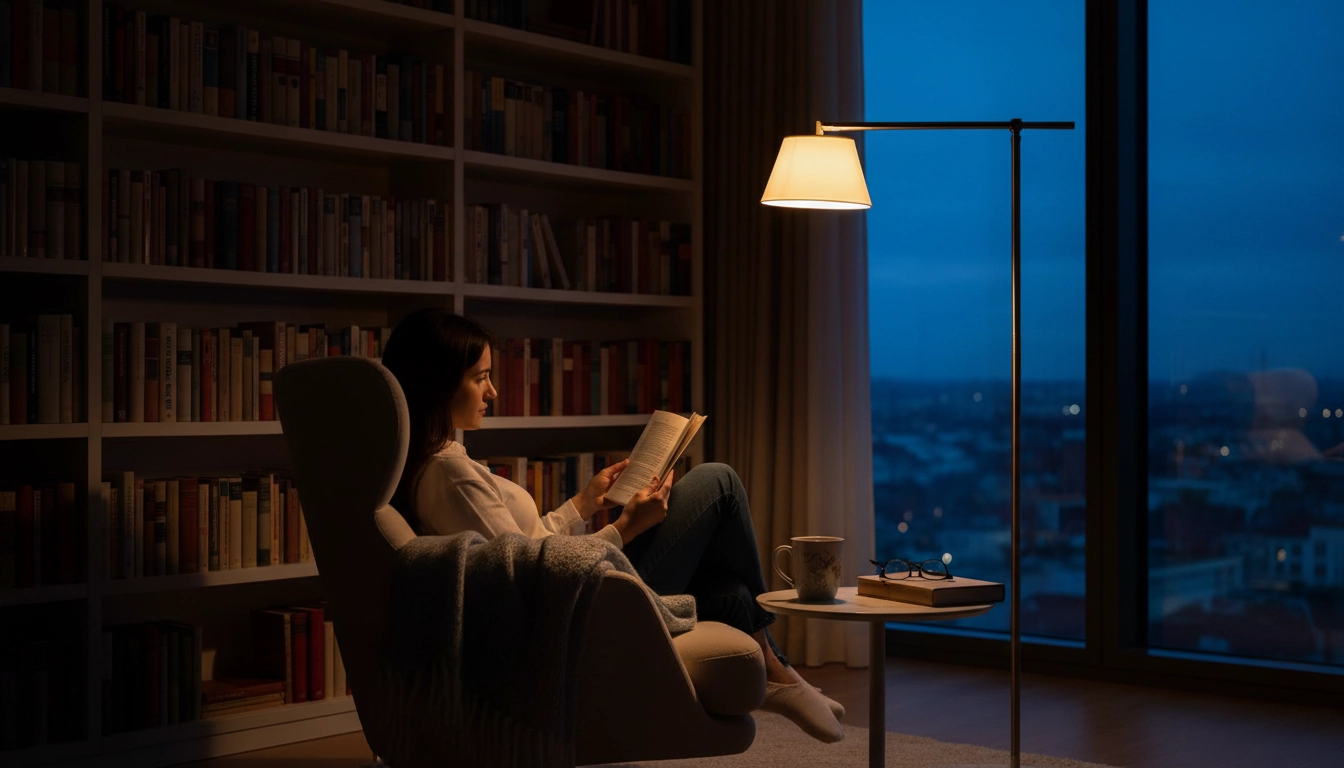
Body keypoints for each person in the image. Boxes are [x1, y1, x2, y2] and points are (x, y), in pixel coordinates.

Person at [380, 308, 846, 743]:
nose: (493, 392)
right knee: (717, 482)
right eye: (481, 378)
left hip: (574, 598)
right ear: (437, 385)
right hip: (580, 614)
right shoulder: (450, 474)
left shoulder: (439, 464)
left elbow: (524, 550)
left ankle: (778, 674)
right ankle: (781, 672)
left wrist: (583, 504)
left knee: (733, 594)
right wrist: (626, 527)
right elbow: (533, 579)